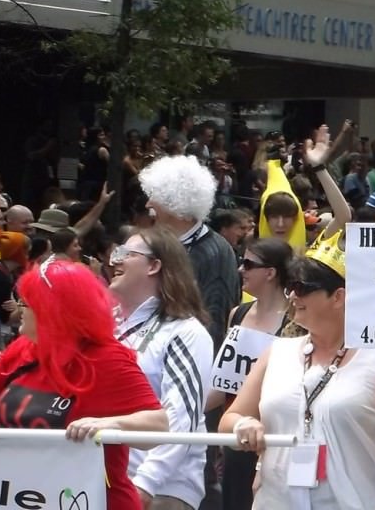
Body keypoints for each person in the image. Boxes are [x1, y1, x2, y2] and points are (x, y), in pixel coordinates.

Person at [219, 235, 375, 509]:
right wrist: (243, 425)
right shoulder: (277, 352)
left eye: (302, 287)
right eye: (290, 287)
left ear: (338, 297)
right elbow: (230, 418)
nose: (293, 296)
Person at [0, 260, 168, 510]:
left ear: (51, 310)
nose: (18, 309)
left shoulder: (106, 358)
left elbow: (158, 426)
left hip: (94, 501)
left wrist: (110, 424)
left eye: (25, 302)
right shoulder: (23, 348)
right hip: (23, 497)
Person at [110, 228, 215, 510]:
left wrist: (146, 482)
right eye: (115, 253)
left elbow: (182, 416)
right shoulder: (105, 325)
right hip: (103, 480)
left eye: (126, 254)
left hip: (159, 491)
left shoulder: (185, 332)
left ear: (154, 266)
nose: (114, 261)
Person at [214, 237, 296, 510]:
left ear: (271, 273)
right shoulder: (237, 314)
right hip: (236, 430)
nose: (241, 270)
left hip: (273, 435)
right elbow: (220, 381)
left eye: (248, 264)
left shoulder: (295, 321)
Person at [138, 155, 240, 351]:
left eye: (155, 196)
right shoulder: (160, 243)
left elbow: (215, 321)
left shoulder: (215, 253)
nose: (148, 204)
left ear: (175, 202)